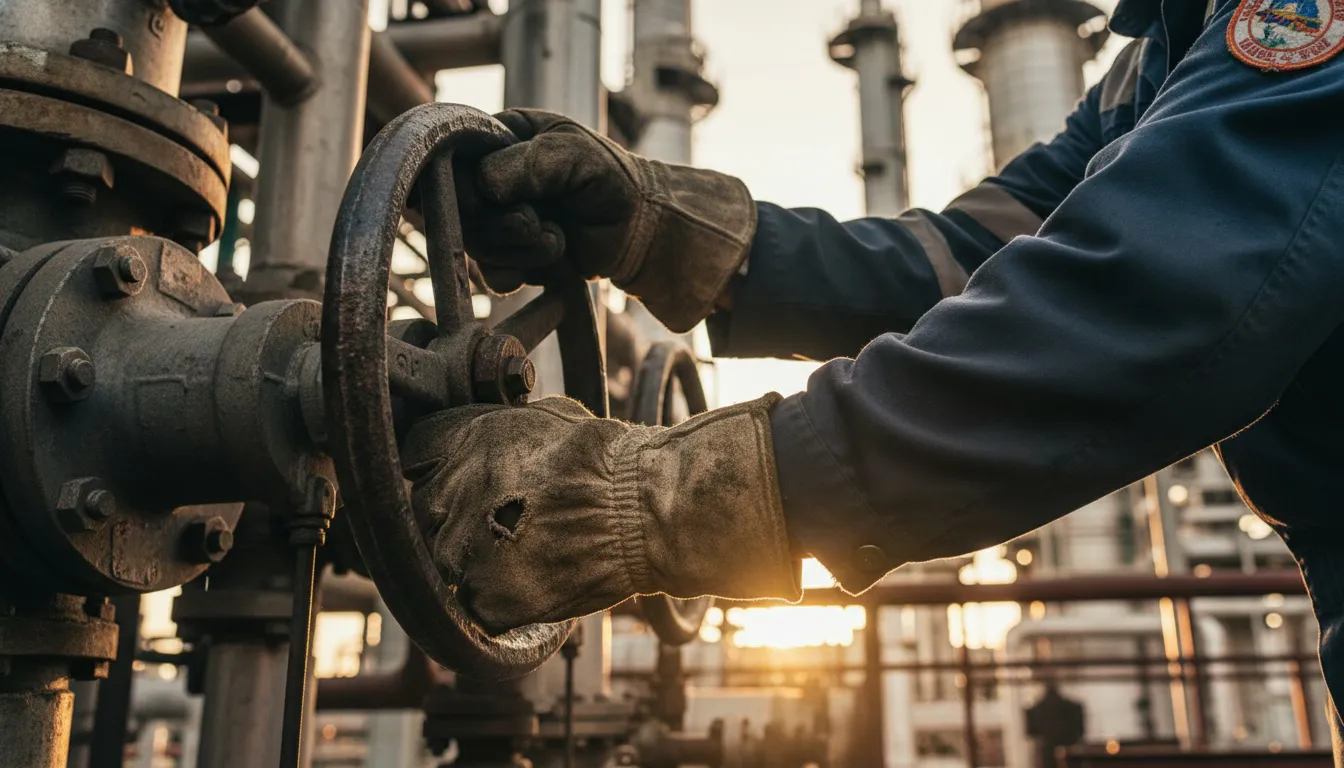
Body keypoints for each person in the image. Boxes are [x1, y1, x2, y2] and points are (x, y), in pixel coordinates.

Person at [403, 0, 1344, 752]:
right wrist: (671, 228)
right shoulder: (1165, 52)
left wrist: (655, 498)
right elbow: (968, 251)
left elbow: (1153, 301)